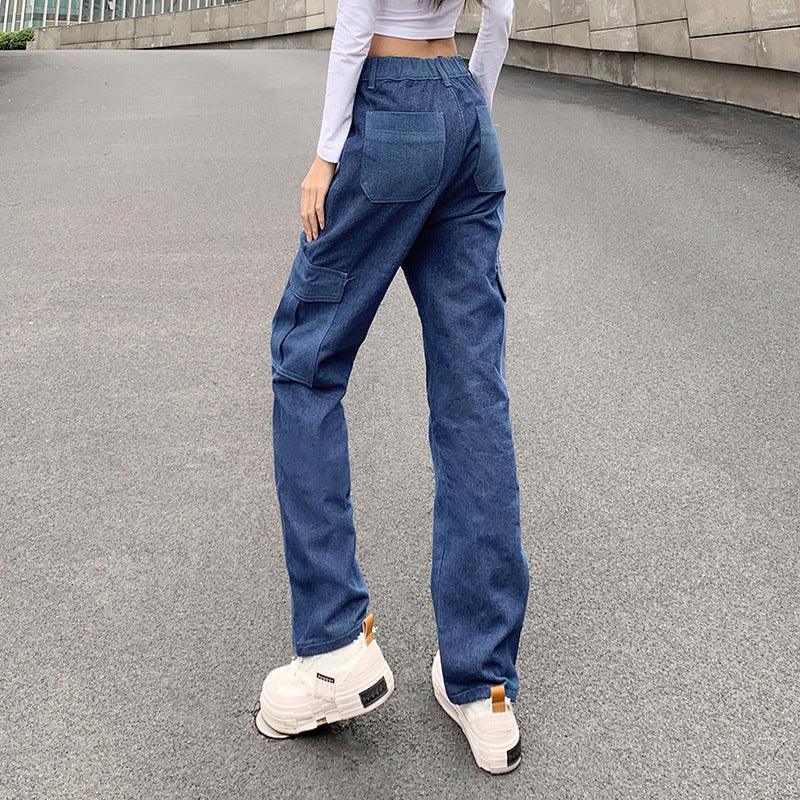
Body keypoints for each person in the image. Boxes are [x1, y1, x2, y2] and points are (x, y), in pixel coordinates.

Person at [254, 0, 530, 775]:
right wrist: (468, 108)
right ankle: (485, 687)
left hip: (390, 104)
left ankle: (335, 650)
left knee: (305, 365)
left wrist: (326, 155)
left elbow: (355, 21)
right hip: (465, 111)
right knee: (473, 397)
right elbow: (501, 13)